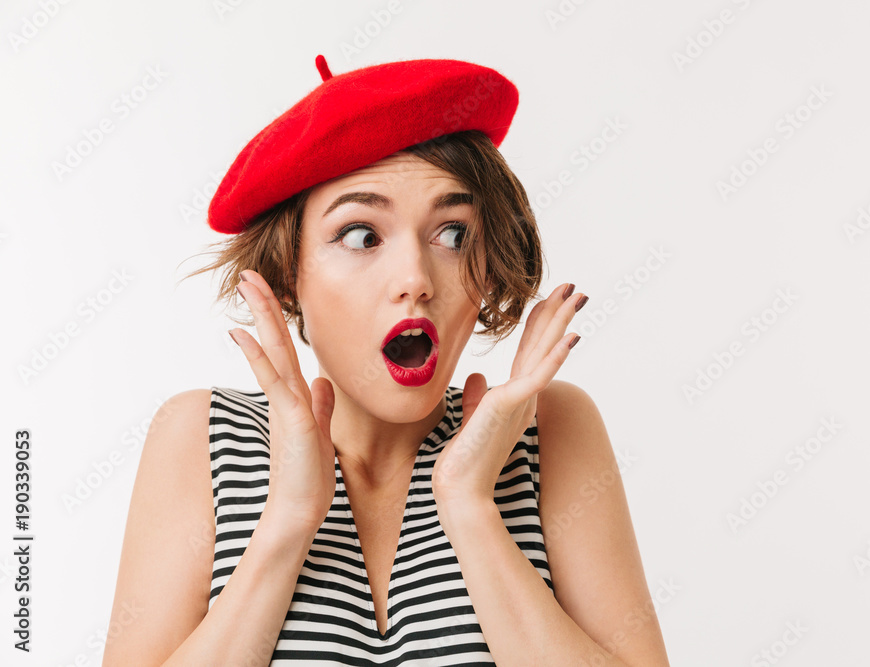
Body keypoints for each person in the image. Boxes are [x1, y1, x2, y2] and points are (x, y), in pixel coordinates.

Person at [103, 55, 670, 666]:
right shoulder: (198, 437)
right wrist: (288, 521)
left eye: (453, 234)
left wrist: (468, 504)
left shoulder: (547, 428)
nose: (415, 280)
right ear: (288, 275)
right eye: (361, 235)